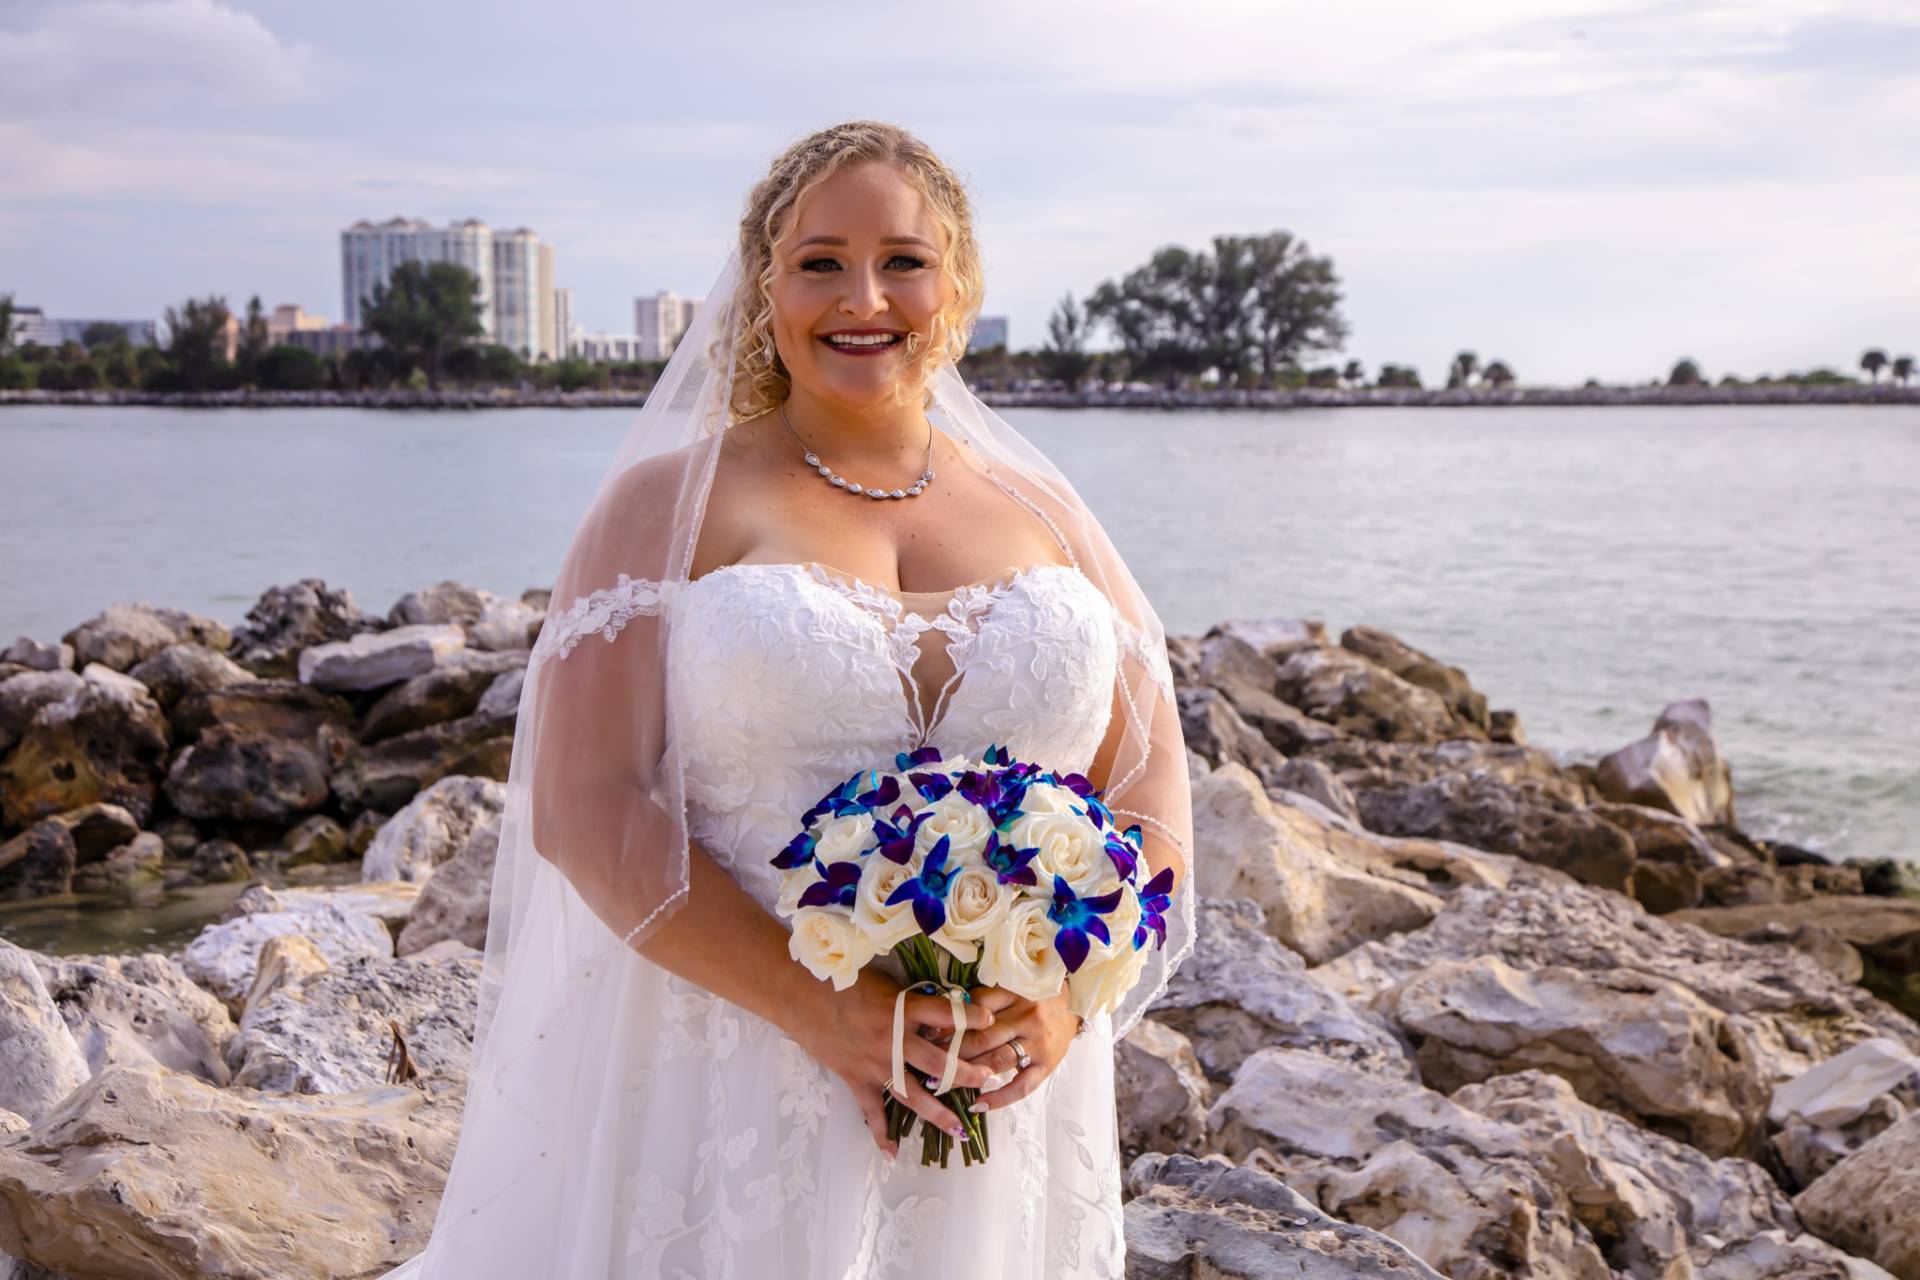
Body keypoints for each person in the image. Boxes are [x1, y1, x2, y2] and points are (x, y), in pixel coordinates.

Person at [379, 120, 1194, 1279]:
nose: (863, 296)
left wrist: (1068, 992)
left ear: (956, 281)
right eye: (820, 261)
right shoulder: (668, 504)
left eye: (903, 259)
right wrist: (825, 1012)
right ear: (765, 287)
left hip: (1004, 1074)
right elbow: (586, 801)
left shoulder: (1048, 512)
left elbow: (1149, 775)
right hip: (735, 1058)